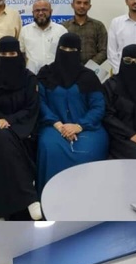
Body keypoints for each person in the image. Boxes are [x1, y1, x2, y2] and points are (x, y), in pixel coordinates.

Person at [36, 33, 108, 189]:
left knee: (88, 151)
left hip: (87, 128)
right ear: (57, 49)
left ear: (79, 52)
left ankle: (87, 197)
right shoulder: (46, 73)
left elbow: (98, 107)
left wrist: (79, 125)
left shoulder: (88, 76)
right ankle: (50, 197)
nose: (67, 53)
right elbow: (40, 103)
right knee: (49, 148)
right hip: (53, 126)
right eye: (64, 49)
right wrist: (58, 124)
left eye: (72, 50)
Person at [0, 36, 42, 221]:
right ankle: (29, 198)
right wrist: (0, 121)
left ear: (19, 55)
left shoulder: (29, 79)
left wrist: (9, 121)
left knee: (4, 141)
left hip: (24, 129)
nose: (8, 58)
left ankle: (0, 210)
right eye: (4, 54)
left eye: (12, 54)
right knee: (1, 139)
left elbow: (32, 108)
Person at [20, 0, 67, 75]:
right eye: (37, 10)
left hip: (55, 76)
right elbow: (21, 54)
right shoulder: (25, 30)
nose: (40, 13)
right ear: (32, 13)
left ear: (51, 11)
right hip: (32, 76)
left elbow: (66, 55)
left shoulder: (61, 30)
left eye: (44, 10)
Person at [63, 0, 107, 66]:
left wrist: (90, 66)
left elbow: (104, 50)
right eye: (78, 3)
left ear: (89, 6)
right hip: (69, 68)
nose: (82, 6)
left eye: (85, 3)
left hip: (92, 70)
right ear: (72, 5)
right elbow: (60, 50)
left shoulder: (98, 26)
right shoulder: (64, 27)